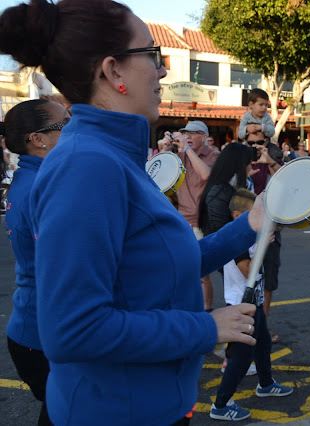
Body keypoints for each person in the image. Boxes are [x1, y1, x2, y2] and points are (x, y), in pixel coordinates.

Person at [0, 1, 265, 424]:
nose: (162, 72)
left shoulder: (113, 156)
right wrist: (205, 328)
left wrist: (249, 225)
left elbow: (158, 267)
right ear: (113, 70)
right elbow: (73, 331)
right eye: (152, 55)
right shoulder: (87, 165)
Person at [3, 99, 70, 426]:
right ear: (38, 139)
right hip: (43, 335)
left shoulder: (29, 180)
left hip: (32, 329)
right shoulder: (44, 187)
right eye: (65, 124)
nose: (74, 129)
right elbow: (67, 267)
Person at [210, 189, 293, 421]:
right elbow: (247, 271)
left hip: (253, 302)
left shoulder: (250, 235)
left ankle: (265, 384)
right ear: (238, 216)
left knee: (264, 343)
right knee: (242, 358)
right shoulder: (237, 241)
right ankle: (221, 405)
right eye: (253, 214)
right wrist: (263, 244)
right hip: (240, 304)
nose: (259, 219)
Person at [162, 120, 220, 312]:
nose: (188, 136)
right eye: (185, 133)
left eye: (193, 133)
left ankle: (207, 310)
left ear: (204, 137)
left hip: (200, 220)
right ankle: (184, 308)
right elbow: (157, 179)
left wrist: (187, 149)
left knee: (201, 272)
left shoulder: (213, 155)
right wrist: (164, 150)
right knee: (177, 268)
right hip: (179, 219)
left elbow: (206, 175)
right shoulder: (179, 156)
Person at [247, 131, 283, 343]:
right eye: (251, 142)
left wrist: (270, 162)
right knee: (245, 280)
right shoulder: (240, 158)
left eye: (260, 142)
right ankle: (246, 326)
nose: (255, 146)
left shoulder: (274, 162)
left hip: (271, 229)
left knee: (268, 280)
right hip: (245, 227)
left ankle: (262, 327)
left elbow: (288, 182)